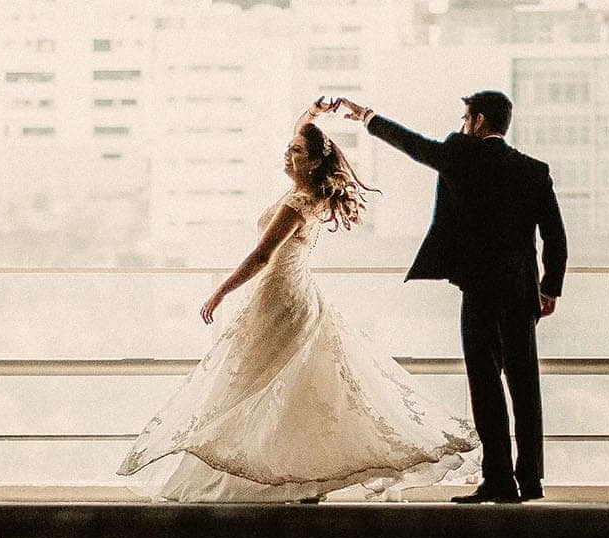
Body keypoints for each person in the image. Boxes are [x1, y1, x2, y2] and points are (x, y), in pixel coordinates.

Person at [119, 104, 477, 503]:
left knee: (273, 385)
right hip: (292, 296)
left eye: (296, 152)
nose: (288, 155)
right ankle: (302, 480)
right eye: (288, 149)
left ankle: (296, 478)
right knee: (292, 389)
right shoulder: (307, 194)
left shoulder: (298, 203)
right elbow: (303, 136)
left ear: (312, 162)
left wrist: (220, 291)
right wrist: (311, 113)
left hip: (282, 299)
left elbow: (261, 255)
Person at [324, 90, 567, 504]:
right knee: (525, 387)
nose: (461, 124)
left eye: (465, 117)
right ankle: (530, 480)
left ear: (478, 120)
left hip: (479, 290)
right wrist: (549, 287)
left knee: (486, 386)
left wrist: (367, 117)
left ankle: (499, 481)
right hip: (521, 290)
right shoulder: (533, 170)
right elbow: (555, 237)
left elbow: (413, 145)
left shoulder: (460, 155)